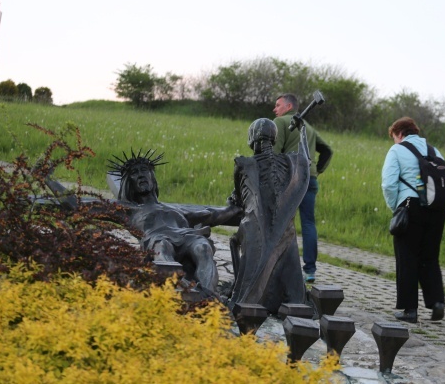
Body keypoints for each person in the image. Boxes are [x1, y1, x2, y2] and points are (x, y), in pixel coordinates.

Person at [51, 149, 242, 297]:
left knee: (202, 247)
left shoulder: (178, 209)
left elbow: (218, 214)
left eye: (144, 171)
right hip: (157, 238)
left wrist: (240, 197)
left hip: (187, 237)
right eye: (134, 173)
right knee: (162, 248)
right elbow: (74, 204)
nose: (141, 175)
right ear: (129, 183)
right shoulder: (127, 209)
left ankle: (208, 296)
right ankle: (178, 291)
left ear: (152, 177)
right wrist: (49, 179)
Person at [228, 117, 309, 314]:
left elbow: (238, 197)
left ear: (253, 140)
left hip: (256, 229)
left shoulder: (245, 164)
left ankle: (240, 292)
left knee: (233, 241)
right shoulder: (290, 161)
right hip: (285, 231)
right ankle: (287, 299)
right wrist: (302, 131)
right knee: (287, 237)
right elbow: (305, 159)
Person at [381, 117, 445, 323]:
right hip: (437, 209)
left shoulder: (397, 150)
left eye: (394, 137)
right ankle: (437, 302)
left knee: (407, 257)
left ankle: (410, 310)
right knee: (429, 258)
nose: (394, 141)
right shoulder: (434, 151)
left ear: (399, 134)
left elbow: (389, 184)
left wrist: (397, 207)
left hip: (411, 207)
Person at [273, 93, 333, 283]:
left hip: (289, 178)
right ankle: (310, 271)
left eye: (278, 105)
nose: (275, 109)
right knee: (308, 223)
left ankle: (276, 264)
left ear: (289, 107)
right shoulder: (310, 128)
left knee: (280, 221)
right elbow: (327, 150)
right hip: (309, 178)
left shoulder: (280, 122)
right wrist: (317, 170)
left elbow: (274, 153)